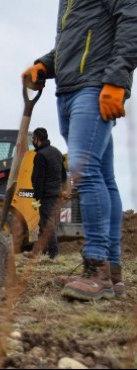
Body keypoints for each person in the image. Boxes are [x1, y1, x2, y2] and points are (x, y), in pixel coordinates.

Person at [22, 1, 137, 300]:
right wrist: (44, 64)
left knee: (84, 172)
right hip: (68, 90)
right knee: (104, 176)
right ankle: (112, 274)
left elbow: (132, 19)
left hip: (95, 85)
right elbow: (72, 41)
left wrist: (117, 79)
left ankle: (95, 265)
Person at [23, 128, 67, 260]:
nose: (33, 141)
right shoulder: (57, 152)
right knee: (43, 223)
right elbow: (63, 175)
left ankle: (52, 253)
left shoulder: (41, 155)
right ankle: (38, 251)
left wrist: (37, 196)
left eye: (33, 139)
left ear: (37, 139)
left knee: (47, 223)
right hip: (55, 192)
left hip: (46, 194)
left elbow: (38, 178)